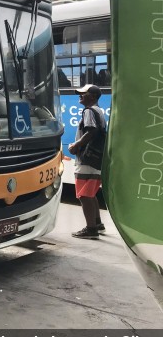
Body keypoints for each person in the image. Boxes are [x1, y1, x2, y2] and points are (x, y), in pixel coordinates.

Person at [67, 84, 106, 239]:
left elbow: (92, 130)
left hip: (88, 159)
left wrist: (75, 146)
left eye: (84, 93)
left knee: (84, 195)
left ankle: (91, 230)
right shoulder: (98, 111)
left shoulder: (89, 111)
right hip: (96, 159)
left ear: (93, 97)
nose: (80, 95)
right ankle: (97, 224)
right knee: (91, 194)